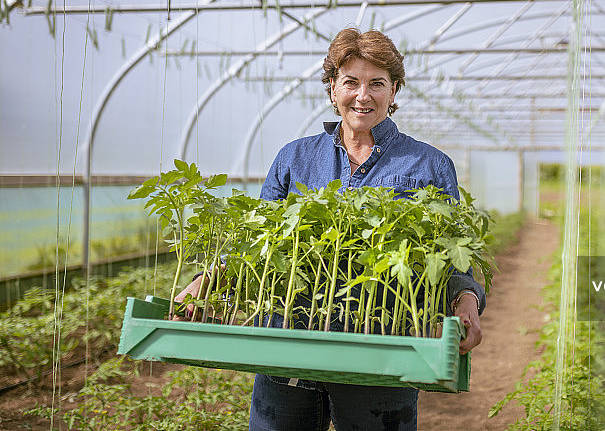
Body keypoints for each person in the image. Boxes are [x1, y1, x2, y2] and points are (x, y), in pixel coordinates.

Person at [177, 28, 486, 431]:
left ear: (394, 92)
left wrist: (466, 298)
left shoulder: (428, 165)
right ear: (332, 89)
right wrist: (206, 282)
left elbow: (449, 253)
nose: (363, 95)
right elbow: (256, 241)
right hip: (290, 342)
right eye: (351, 82)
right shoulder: (295, 158)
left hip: (382, 349)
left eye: (377, 83)